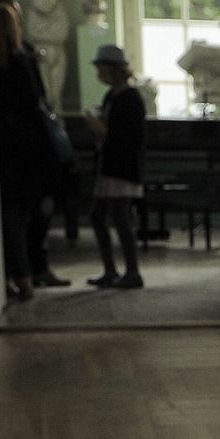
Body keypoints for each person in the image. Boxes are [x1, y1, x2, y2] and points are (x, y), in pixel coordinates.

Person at [0, 0, 48, 302]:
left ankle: (9, 276)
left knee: (4, 217)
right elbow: (36, 103)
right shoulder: (21, 61)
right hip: (25, 150)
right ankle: (25, 276)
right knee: (20, 217)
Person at [84, 43, 147, 289]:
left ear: (112, 69)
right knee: (99, 215)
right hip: (109, 165)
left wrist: (100, 127)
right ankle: (111, 270)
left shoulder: (130, 98)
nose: (99, 74)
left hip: (122, 167)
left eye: (101, 68)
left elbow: (127, 137)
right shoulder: (112, 96)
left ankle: (132, 271)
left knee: (120, 217)